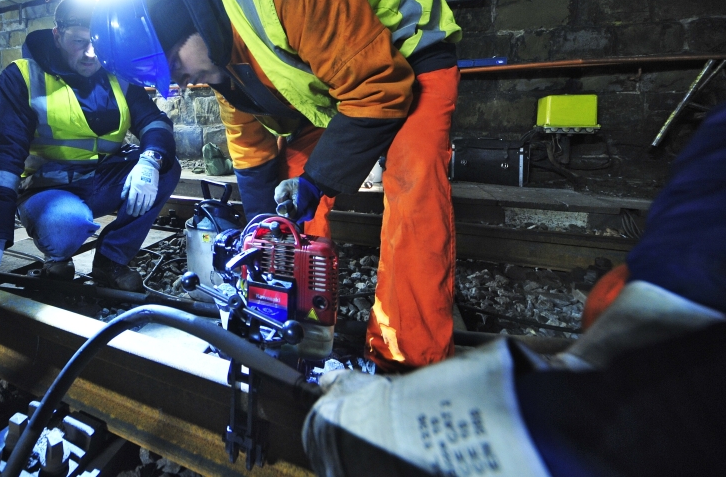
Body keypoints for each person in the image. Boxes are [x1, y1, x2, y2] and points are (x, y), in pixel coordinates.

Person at [90, 0, 462, 370]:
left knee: (411, 189)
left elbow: (376, 90)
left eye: (174, 65)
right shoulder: (222, 68)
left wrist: (317, 181)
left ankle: (409, 357)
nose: (183, 81)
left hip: (407, 58)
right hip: (326, 96)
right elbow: (252, 155)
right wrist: (263, 229)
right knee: (290, 221)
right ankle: (299, 329)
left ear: (189, 22)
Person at [301, 100, 726, 477]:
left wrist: (673, 302)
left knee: (415, 200)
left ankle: (412, 361)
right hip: (336, 99)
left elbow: (375, 89)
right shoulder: (242, 70)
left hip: (405, 74)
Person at [0, 0, 181, 300]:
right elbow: (0, 158)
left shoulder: (118, 75)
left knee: (167, 167)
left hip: (102, 181)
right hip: (48, 189)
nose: (90, 54)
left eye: (97, 43)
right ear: (57, 36)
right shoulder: (22, 77)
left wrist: (150, 161)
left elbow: (154, 122)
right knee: (66, 226)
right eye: (79, 41)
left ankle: (111, 261)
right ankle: (57, 257)